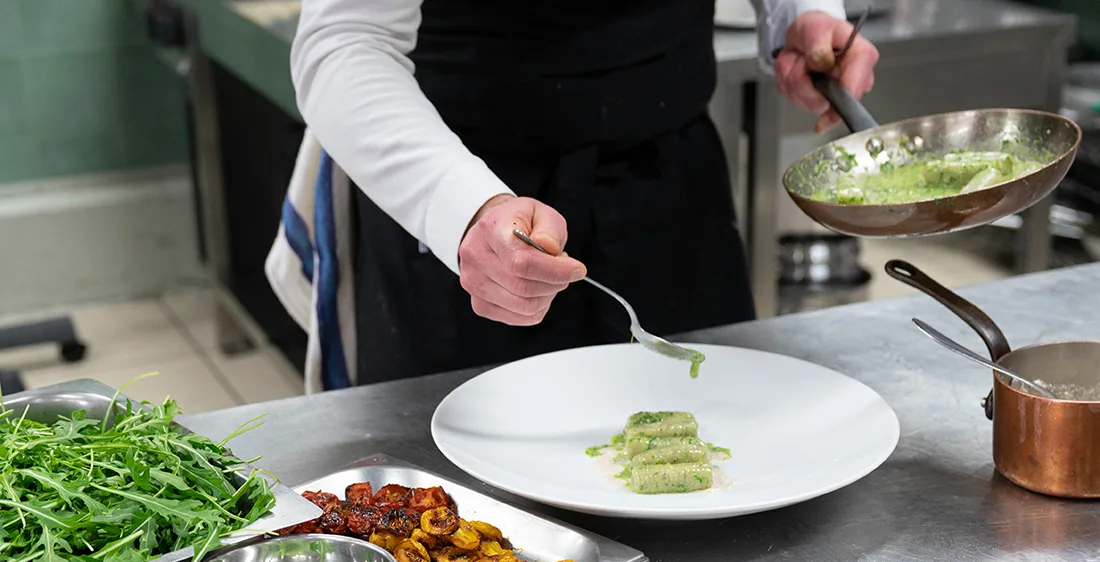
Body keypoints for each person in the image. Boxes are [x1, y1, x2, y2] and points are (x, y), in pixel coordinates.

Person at [291, 0, 879, 385]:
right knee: (461, 534)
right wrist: (463, 206)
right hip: (463, 207)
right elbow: (344, 40)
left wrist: (799, 11)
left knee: (718, 464)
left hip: (668, 183)